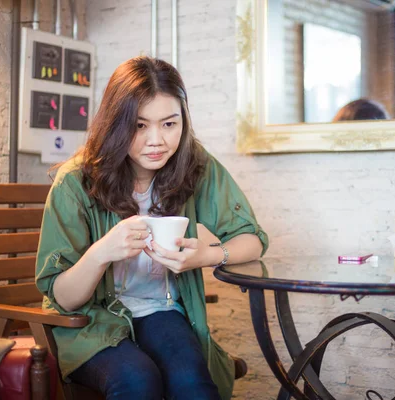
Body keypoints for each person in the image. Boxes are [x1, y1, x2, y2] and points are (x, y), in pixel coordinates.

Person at [35, 56, 269, 400]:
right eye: (140, 125)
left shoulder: (194, 165)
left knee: (194, 385)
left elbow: (253, 240)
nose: (156, 140)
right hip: (90, 321)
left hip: (160, 310)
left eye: (169, 124)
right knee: (137, 382)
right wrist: (102, 252)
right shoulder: (76, 181)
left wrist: (206, 256)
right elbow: (65, 297)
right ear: (115, 124)